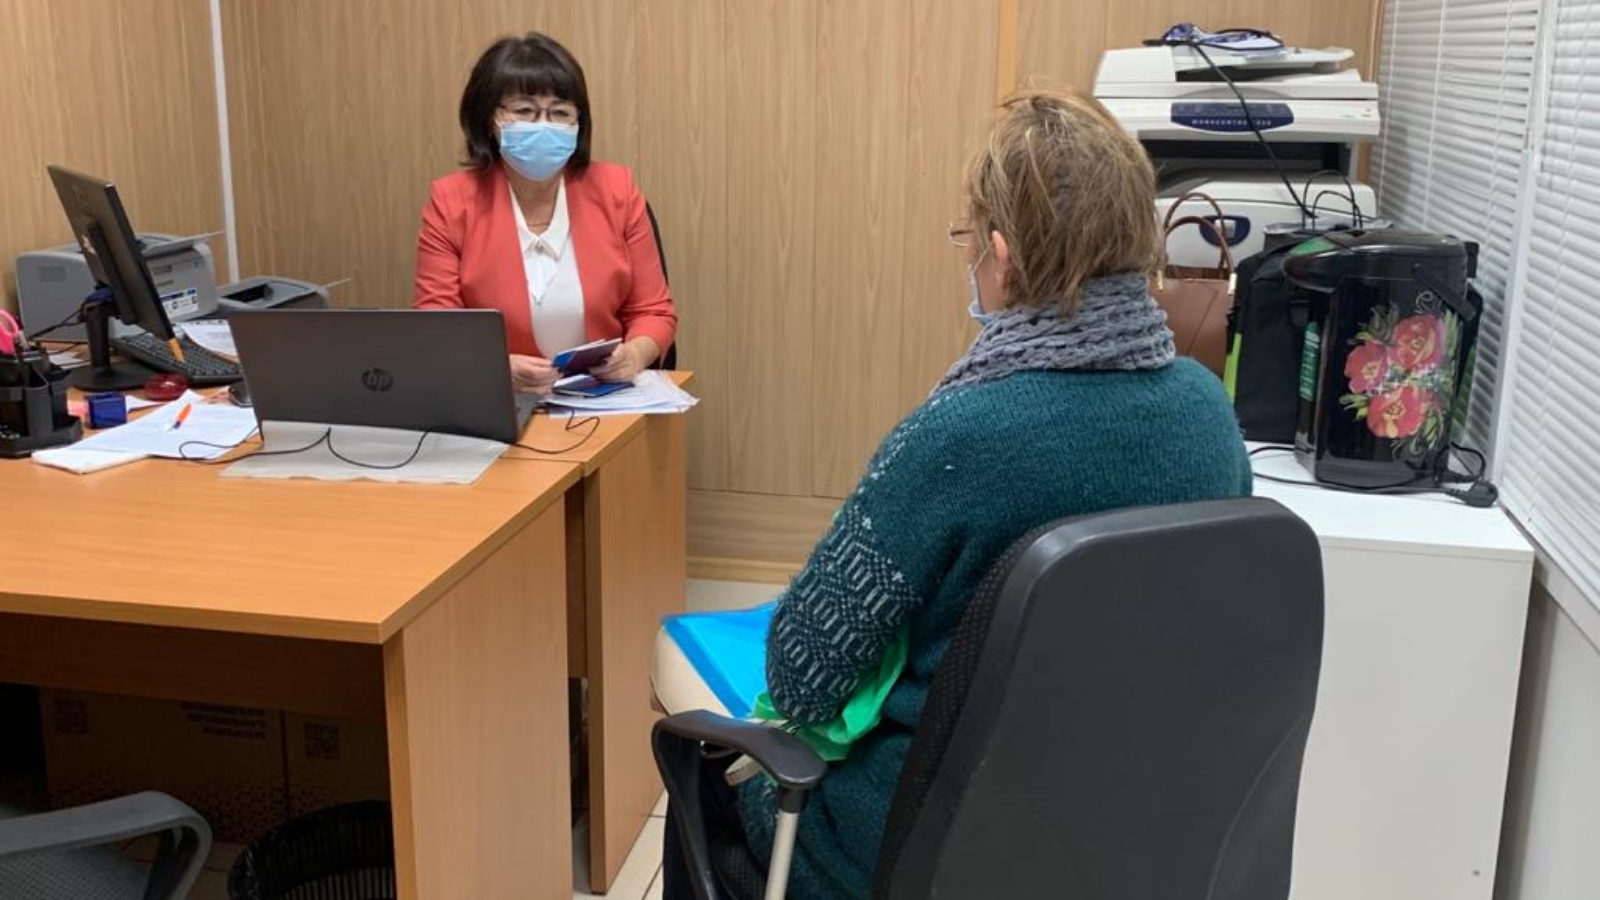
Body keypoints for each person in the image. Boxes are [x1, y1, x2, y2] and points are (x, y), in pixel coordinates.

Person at [660, 90, 1254, 900]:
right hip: (1135, 841)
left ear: (1002, 256)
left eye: (969, 242)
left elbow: (799, 674)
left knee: (697, 781)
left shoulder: (960, 437)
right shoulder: (1209, 413)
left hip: (918, 853)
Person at [414, 32, 676, 393]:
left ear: (578, 123)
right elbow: (439, 326)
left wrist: (633, 354)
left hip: (602, 398)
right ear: (489, 120)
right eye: (524, 111)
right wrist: (495, 367)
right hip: (501, 400)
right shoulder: (452, 201)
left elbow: (654, 312)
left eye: (560, 113)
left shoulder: (617, 191)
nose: (543, 125)